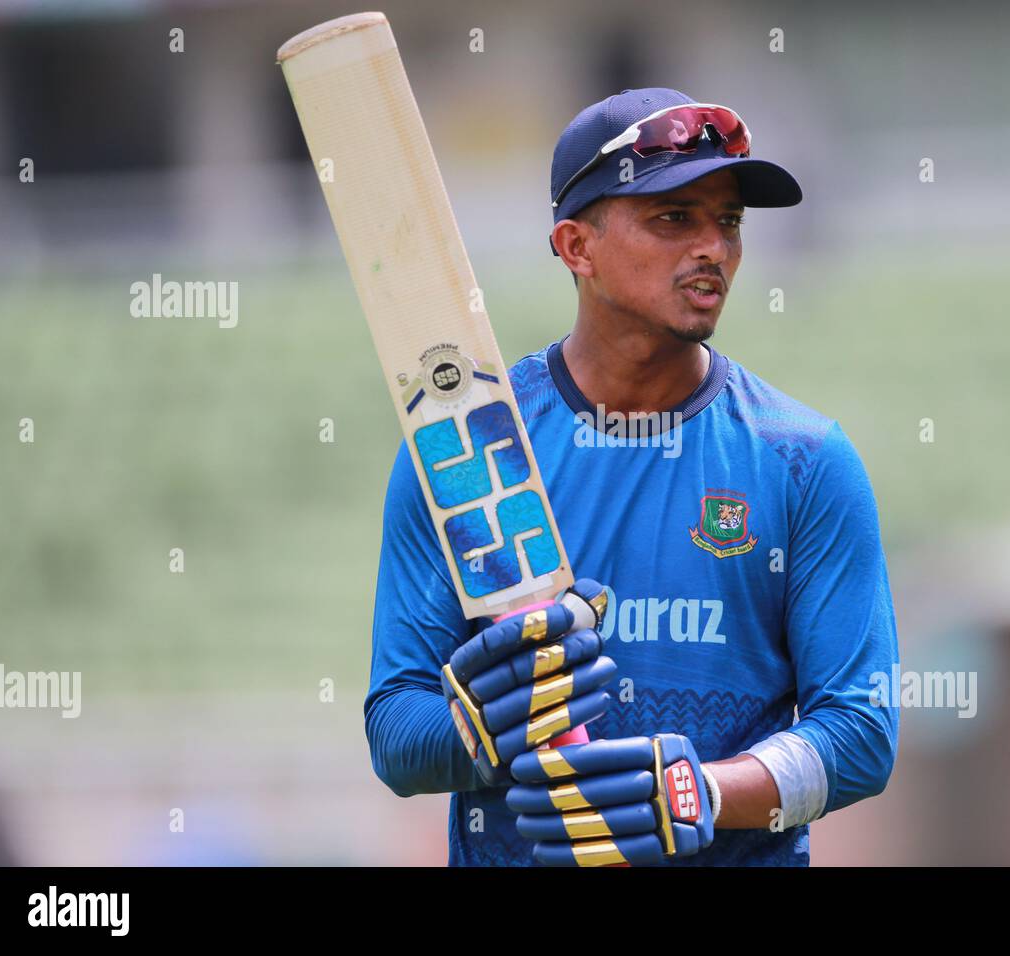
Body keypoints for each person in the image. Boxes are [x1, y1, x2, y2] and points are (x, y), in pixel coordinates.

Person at [365, 88, 899, 866]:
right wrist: (473, 735)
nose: (713, 247)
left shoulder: (804, 461)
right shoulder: (465, 451)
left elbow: (861, 734)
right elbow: (394, 733)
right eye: (674, 218)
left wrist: (701, 795)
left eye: (729, 221)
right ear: (577, 247)